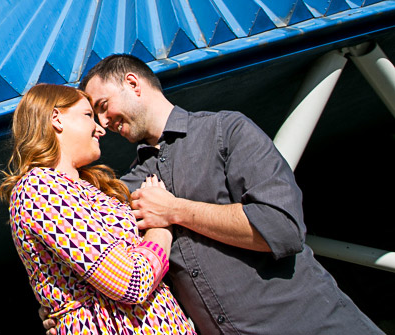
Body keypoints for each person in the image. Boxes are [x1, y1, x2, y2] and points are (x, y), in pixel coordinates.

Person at [34, 53, 381, 335]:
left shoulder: (226, 130)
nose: (103, 123)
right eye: (94, 114)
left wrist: (175, 211)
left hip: (311, 324)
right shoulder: (125, 189)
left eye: (103, 105)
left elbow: (282, 228)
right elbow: (107, 264)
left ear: (133, 83)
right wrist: (63, 312)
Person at [0, 83, 197, 334]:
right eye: (87, 115)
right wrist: (161, 224)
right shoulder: (39, 188)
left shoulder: (84, 189)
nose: (101, 129)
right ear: (56, 119)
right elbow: (131, 282)